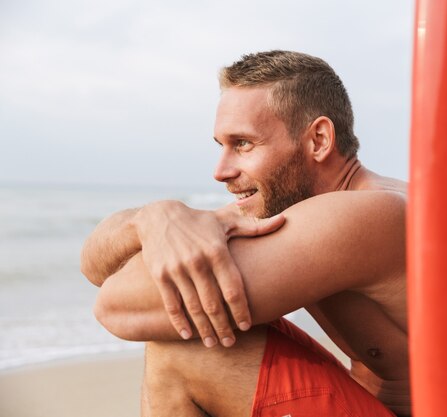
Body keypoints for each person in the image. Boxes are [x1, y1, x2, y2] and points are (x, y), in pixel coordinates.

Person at [81, 50, 409, 417]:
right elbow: (94, 267)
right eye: (221, 146)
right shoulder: (290, 205)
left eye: (243, 144)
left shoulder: (365, 216)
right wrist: (153, 220)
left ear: (318, 140)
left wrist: (173, 232)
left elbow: (114, 305)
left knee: (184, 349)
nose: (220, 171)